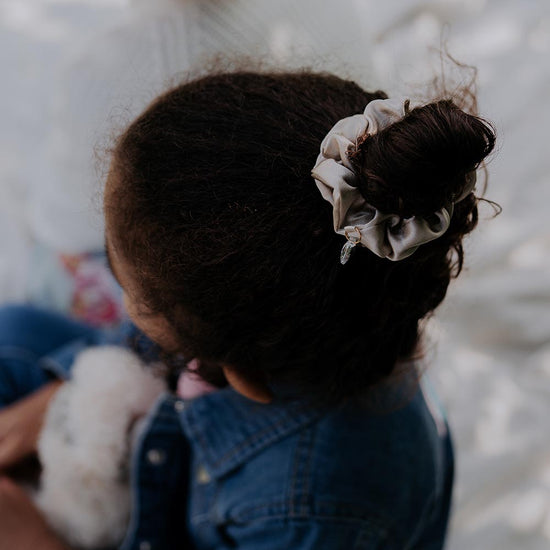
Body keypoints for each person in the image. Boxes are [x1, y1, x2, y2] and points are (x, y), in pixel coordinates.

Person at [0, 70, 496, 549]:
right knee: (14, 333)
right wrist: (63, 393)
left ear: (236, 369)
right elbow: (160, 337)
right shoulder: (309, 307)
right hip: (176, 420)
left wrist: (36, 543)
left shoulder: (311, 510)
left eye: (128, 287)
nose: (119, 293)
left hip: (189, 515)